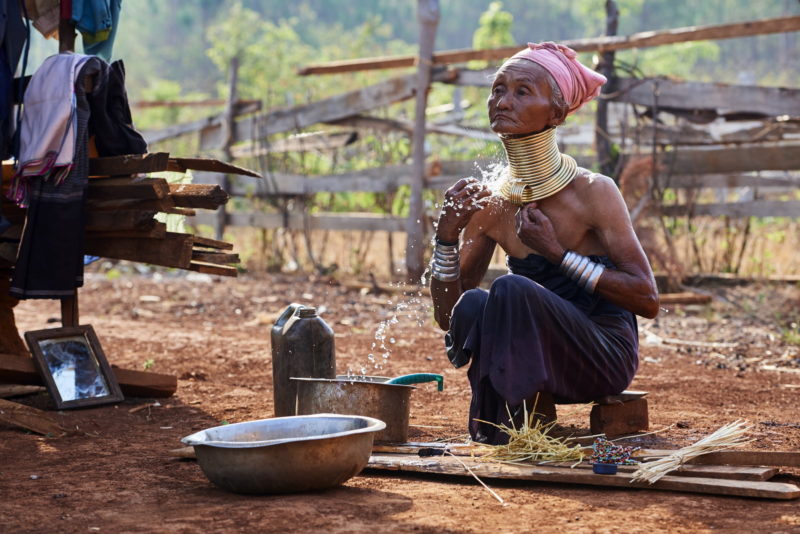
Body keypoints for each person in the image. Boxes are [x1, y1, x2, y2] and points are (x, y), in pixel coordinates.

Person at [429, 42, 659, 444]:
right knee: (478, 301)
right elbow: (452, 318)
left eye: (522, 91)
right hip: (533, 358)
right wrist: (445, 239)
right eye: (499, 89)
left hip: (600, 356)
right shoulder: (491, 204)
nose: (503, 101)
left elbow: (647, 299)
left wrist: (559, 255)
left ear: (557, 113)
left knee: (509, 287)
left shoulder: (593, 192)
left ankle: (513, 422)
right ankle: (513, 423)